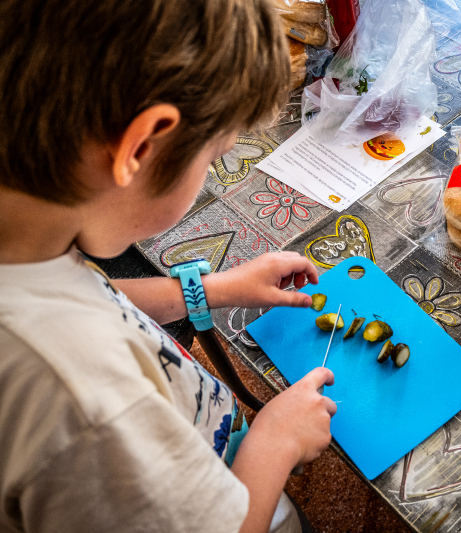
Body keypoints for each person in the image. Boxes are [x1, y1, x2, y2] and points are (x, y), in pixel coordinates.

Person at [0, 1, 336, 532]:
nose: (209, 170)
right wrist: (275, 443)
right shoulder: (88, 405)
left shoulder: (25, 240)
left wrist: (211, 289)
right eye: (214, 155)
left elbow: (84, 297)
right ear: (142, 146)